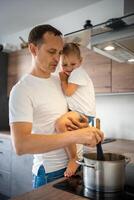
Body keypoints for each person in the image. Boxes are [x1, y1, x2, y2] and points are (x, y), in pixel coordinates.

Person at [9, 24, 104, 189]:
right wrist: (77, 136)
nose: (57, 59)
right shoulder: (22, 90)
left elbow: (69, 116)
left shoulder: (60, 81)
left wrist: (83, 126)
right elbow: (21, 145)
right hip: (50, 173)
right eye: (51, 52)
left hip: (76, 166)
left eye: (60, 53)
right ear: (33, 49)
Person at [59, 42, 96, 177]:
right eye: (64, 64)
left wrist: (63, 80)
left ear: (80, 62)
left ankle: (73, 158)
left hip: (83, 114)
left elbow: (68, 92)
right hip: (84, 114)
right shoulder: (76, 73)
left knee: (60, 124)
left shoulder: (77, 73)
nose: (68, 68)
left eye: (72, 64)